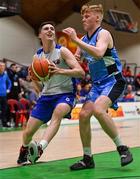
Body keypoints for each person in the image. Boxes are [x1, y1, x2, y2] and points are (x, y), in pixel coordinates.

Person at [63, 3, 133, 170]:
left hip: (113, 80)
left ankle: (123, 149)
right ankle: (88, 158)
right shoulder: (84, 40)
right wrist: (57, 64)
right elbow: (76, 61)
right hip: (97, 85)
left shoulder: (104, 34)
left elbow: (99, 53)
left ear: (97, 17)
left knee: (98, 109)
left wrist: (75, 40)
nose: (83, 19)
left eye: (87, 16)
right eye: (83, 16)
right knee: (84, 115)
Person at [17, 21, 85, 165]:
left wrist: (60, 70)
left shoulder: (63, 51)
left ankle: (40, 147)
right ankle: (24, 150)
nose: (50, 30)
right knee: (29, 131)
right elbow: (37, 82)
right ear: (40, 35)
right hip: (46, 96)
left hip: (66, 93)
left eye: (52, 29)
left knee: (58, 112)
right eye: (46, 29)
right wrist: (35, 82)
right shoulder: (37, 56)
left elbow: (81, 72)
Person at [0, 62, 11, 127]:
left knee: (4, 109)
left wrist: (8, 89)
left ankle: (4, 123)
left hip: (4, 95)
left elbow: (9, 83)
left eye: (3, 66)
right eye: (0, 66)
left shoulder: (5, 75)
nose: (2, 67)